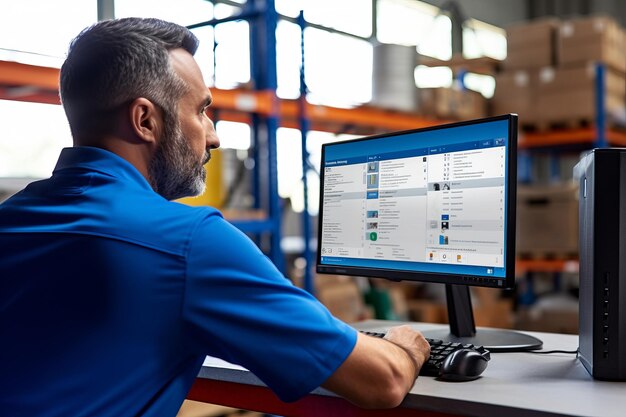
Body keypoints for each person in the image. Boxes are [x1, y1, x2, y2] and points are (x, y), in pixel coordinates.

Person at [0, 18, 430, 416]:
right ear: (145, 119)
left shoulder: (11, 219)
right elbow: (383, 381)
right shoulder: (187, 242)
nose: (214, 135)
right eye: (201, 111)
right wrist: (406, 343)